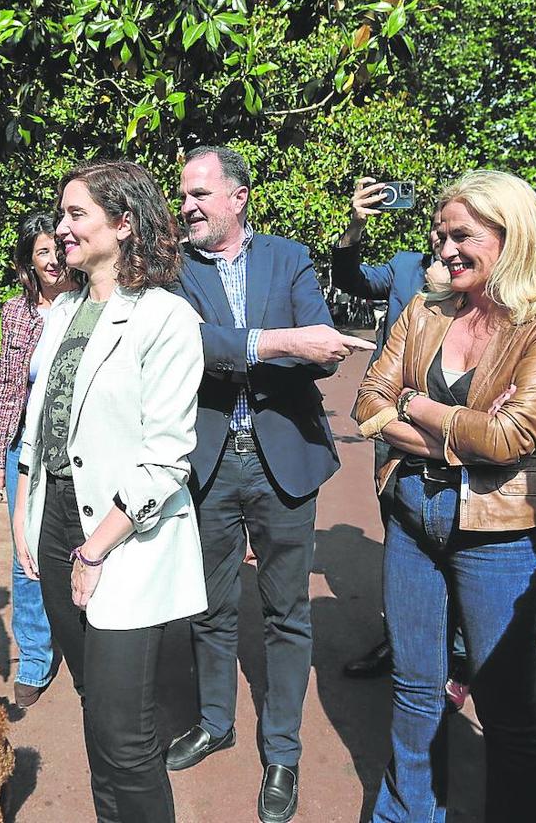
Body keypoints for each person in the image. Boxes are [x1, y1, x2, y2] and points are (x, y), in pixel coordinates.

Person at [354, 169, 536, 823]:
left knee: (505, 707)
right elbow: (367, 401)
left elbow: (512, 440)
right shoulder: (425, 309)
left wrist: (416, 404)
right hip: (410, 518)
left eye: (463, 236)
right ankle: (404, 814)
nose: (445, 250)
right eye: (439, 235)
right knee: (414, 688)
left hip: (501, 534)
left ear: (512, 237)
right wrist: (455, 434)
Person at [165, 145, 371, 823]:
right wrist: (277, 343)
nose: (188, 206)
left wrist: (249, 344)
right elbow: (191, 350)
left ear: (238, 197)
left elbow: (323, 349)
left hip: (286, 456)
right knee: (211, 606)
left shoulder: (289, 257)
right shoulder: (171, 274)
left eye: (200, 193)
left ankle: (281, 750)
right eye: (184, 195)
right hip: (210, 461)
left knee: (288, 613)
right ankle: (216, 720)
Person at [11, 160, 206, 823]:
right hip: (57, 519)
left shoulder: (166, 319)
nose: (61, 229)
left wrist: (94, 550)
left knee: (126, 739)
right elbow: (40, 423)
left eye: (76, 215)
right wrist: (23, 514)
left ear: (123, 224)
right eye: (62, 215)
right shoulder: (64, 311)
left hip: (123, 537)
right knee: (97, 713)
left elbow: (167, 458)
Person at [332, 179, 465, 691]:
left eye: (453, 231)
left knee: (459, 542)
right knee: (403, 535)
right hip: (392, 425)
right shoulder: (405, 266)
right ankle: (404, 641)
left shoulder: (478, 274)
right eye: (436, 229)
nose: (441, 239)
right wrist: (356, 222)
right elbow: (348, 276)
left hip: (454, 430)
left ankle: (457, 658)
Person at [0, 211, 82, 709]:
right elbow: (7, 388)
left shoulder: (91, 303)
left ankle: (88, 637)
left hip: (79, 445)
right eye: (41, 251)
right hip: (25, 445)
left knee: (82, 541)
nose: (51, 259)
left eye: (57, 248)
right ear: (28, 260)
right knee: (26, 553)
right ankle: (37, 656)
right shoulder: (16, 313)